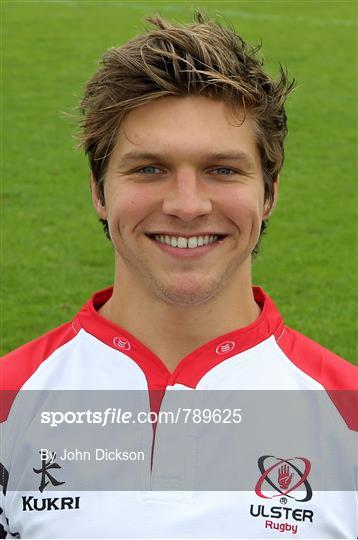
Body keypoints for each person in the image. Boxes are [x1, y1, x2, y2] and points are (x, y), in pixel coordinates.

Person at [0, 13, 356, 539]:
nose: (187, 205)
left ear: (270, 193)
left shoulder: (346, 416)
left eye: (223, 169)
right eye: (148, 168)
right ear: (100, 192)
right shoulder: (11, 402)